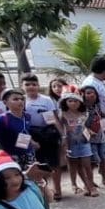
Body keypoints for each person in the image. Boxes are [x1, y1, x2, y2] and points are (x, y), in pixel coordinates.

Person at [22, 74, 63, 202]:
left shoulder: (46, 100)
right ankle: (43, 190)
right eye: (27, 84)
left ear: (38, 86)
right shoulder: (21, 100)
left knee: (54, 163)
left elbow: (53, 118)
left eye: (34, 84)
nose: (31, 87)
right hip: (30, 134)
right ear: (22, 86)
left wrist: (62, 135)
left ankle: (58, 189)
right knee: (37, 164)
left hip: (48, 133)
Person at [0, 89, 36, 170]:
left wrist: (33, 142)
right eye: (15, 99)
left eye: (22, 99)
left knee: (33, 177)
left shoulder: (27, 116)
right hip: (12, 155)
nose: (20, 101)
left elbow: (26, 132)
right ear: (5, 102)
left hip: (29, 153)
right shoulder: (1, 120)